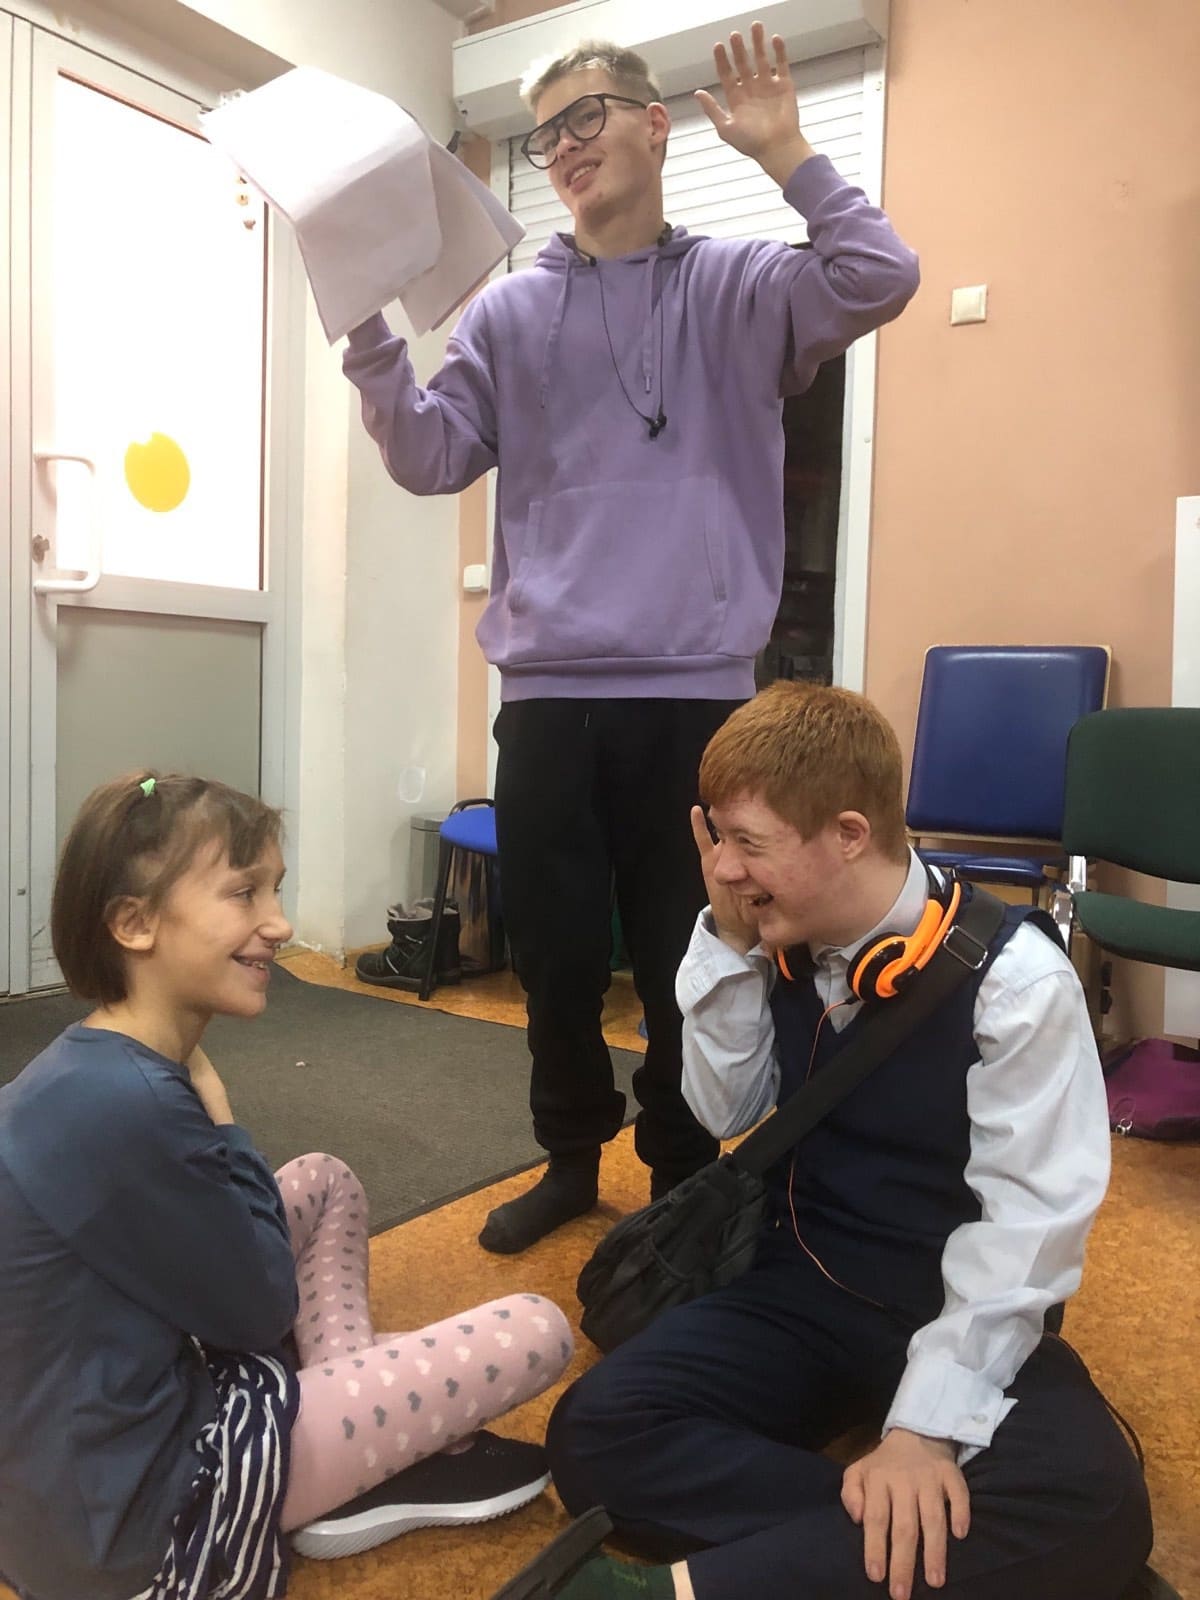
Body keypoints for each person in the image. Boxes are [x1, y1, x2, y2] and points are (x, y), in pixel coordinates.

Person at [342, 24, 920, 1254]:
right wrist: (368, 332)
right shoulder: (508, 314)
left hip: (697, 702)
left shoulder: (744, 286)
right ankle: (567, 1158)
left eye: (585, 116)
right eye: (545, 131)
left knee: (684, 954)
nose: (562, 146)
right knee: (555, 959)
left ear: (656, 126)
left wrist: (789, 153)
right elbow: (430, 454)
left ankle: (677, 1178)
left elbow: (880, 274)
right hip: (549, 697)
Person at [497, 683, 1155, 1600]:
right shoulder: (771, 937)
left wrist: (924, 1432)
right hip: (800, 1287)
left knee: (1100, 1502)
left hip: (956, 1307)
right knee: (598, 1432)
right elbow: (725, 1111)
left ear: (848, 834)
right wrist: (728, 951)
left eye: (746, 842)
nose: (722, 868)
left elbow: (1027, 1231)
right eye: (715, 837)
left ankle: (679, 1588)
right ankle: (944, 1546)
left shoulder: (1020, 985)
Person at [0, 772, 573, 1600]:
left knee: (325, 1180)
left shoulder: (88, 1062)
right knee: (538, 1330)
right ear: (134, 923)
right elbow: (261, 1309)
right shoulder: (133, 1104)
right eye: (244, 894)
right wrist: (221, 1112)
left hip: (68, 1481)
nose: (280, 923)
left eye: (274, 889)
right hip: (139, 1518)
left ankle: (349, 1438)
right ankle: (359, 1462)